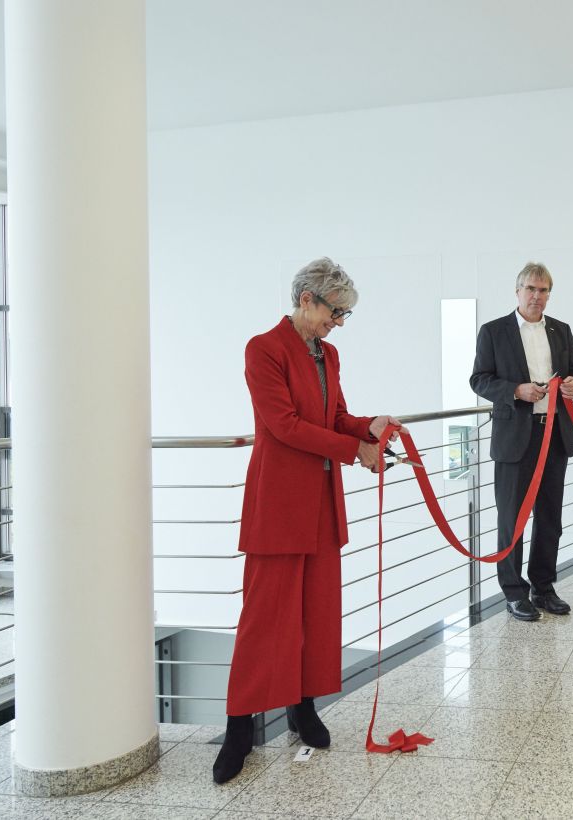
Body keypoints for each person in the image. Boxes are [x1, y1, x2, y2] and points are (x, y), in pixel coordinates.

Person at [213, 257, 406, 784]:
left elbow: (334, 416)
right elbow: (284, 425)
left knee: (314, 614)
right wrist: (355, 450)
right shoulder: (263, 349)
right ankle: (238, 728)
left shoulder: (329, 354)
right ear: (306, 300)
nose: (337, 323)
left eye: (343, 315)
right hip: (279, 503)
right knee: (264, 620)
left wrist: (368, 426)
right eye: (334, 312)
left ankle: (302, 707)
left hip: (321, 502)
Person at [470, 262, 573, 621]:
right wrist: (515, 390)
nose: (537, 296)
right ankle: (514, 591)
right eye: (531, 289)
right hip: (514, 438)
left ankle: (543, 587)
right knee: (512, 519)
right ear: (518, 291)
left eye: (543, 290)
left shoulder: (561, 330)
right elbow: (479, 380)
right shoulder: (494, 331)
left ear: (549, 294)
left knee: (550, 518)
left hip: (554, 434)